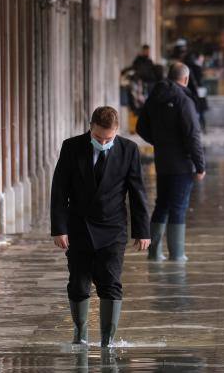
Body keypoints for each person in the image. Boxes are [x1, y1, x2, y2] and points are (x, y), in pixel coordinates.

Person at [51, 106, 150, 347]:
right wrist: (59, 228)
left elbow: (137, 192)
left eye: (108, 138)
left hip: (113, 228)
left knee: (111, 282)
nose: (103, 142)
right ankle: (80, 334)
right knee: (78, 283)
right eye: (98, 137)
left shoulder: (128, 150)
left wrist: (142, 231)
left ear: (116, 131)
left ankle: (108, 340)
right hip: (79, 226)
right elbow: (59, 190)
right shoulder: (71, 147)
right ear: (90, 127)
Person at [136, 63, 205, 262]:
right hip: (182, 163)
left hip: (163, 160)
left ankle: (155, 253)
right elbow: (193, 135)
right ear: (185, 79)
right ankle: (177, 254)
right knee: (179, 207)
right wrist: (200, 165)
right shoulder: (184, 100)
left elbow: (141, 127)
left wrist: (160, 142)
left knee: (162, 204)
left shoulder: (155, 97)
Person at [184, 52, 208, 132]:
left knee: (194, 110)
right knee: (200, 110)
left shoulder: (185, 68)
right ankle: (202, 127)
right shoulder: (197, 68)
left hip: (191, 92)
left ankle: (197, 127)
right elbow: (201, 80)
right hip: (198, 91)